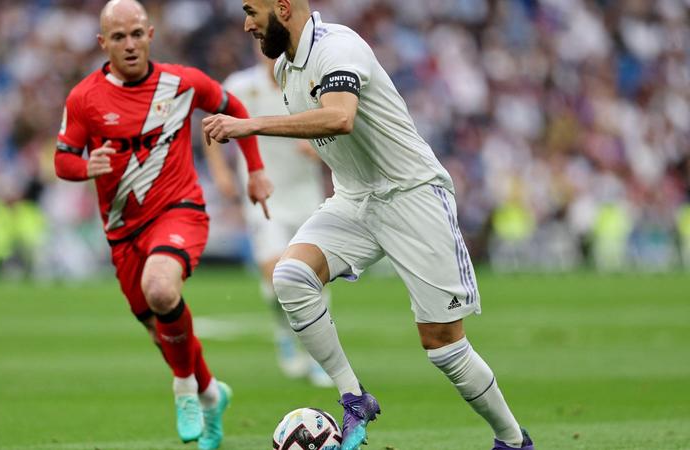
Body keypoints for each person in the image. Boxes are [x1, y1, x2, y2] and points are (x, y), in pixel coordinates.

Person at [202, 1, 534, 449]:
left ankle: (513, 440)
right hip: (355, 199)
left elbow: (341, 117)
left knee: (444, 346)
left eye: (251, 11)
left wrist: (251, 125)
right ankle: (354, 396)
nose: (246, 24)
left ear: (282, 7)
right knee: (291, 275)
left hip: (413, 197)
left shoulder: (337, 47)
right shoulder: (285, 68)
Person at [53, 1, 273, 449]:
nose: (130, 45)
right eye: (119, 37)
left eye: (136, 33)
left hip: (180, 210)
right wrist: (84, 168)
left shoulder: (181, 82)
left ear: (151, 34)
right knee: (163, 331)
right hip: (122, 232)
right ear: (103, 43)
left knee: (161, 289)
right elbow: (62, 158)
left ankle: (184, 390)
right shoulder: (84, 98)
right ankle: (212, 394)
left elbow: (235, 107)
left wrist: (254, 169)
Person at [203, 49, 333, 387]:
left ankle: (319, 354)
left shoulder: (310, 84)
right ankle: (284, 332)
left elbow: (338, 125)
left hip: (307, 197)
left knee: (312, 278)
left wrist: (320, 145)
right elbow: (213, 126)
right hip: (265, 197)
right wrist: (220, 172)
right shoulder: (241, 85)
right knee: (277, 275)